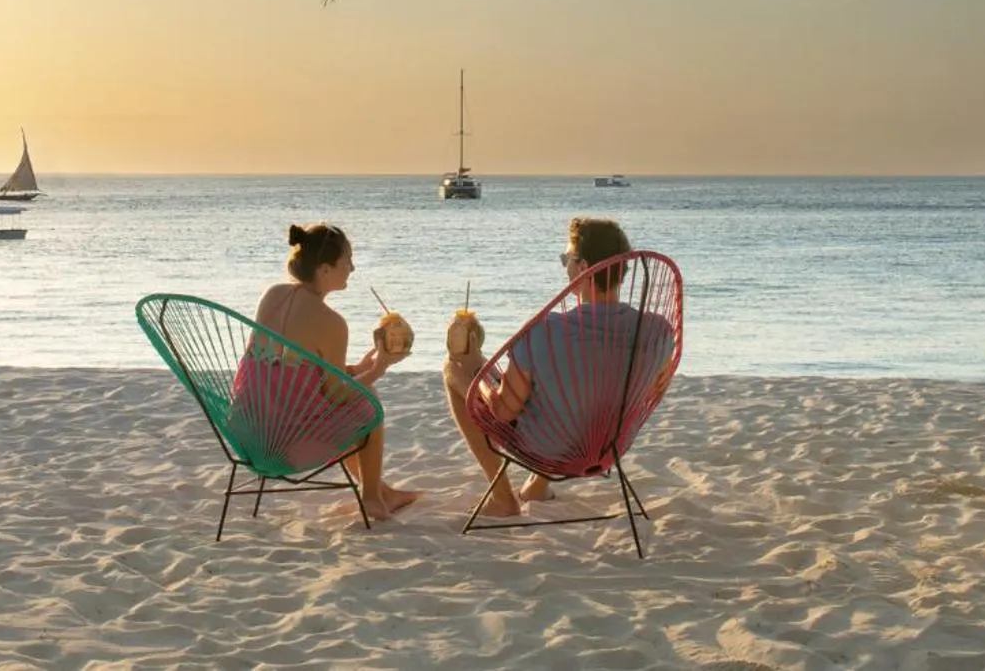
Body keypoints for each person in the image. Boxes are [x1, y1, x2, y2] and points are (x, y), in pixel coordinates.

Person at [441, 217, 673, 518]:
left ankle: (502, 498)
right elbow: (653, 390)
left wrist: (477, 370)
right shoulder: (659, 332)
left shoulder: (544, 332)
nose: (565, 267)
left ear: (583, 267)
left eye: (567, 259)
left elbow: (503, 411)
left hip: (548, 449)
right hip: (610, 445)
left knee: (453, 368)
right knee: (571, 386)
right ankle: (537, 487)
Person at [238, 223, 421, 517]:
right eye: (347, 261)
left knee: (352, 393)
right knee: (367, 400)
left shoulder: (273, 295)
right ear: (324, 270)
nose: (352, 267)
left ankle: (383, 491)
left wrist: (360, 366)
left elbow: (296, 373)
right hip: (284, 445)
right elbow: (337, 396)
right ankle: (372, 497)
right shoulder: (331, 322)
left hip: (249, 431)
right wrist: (379, 368)